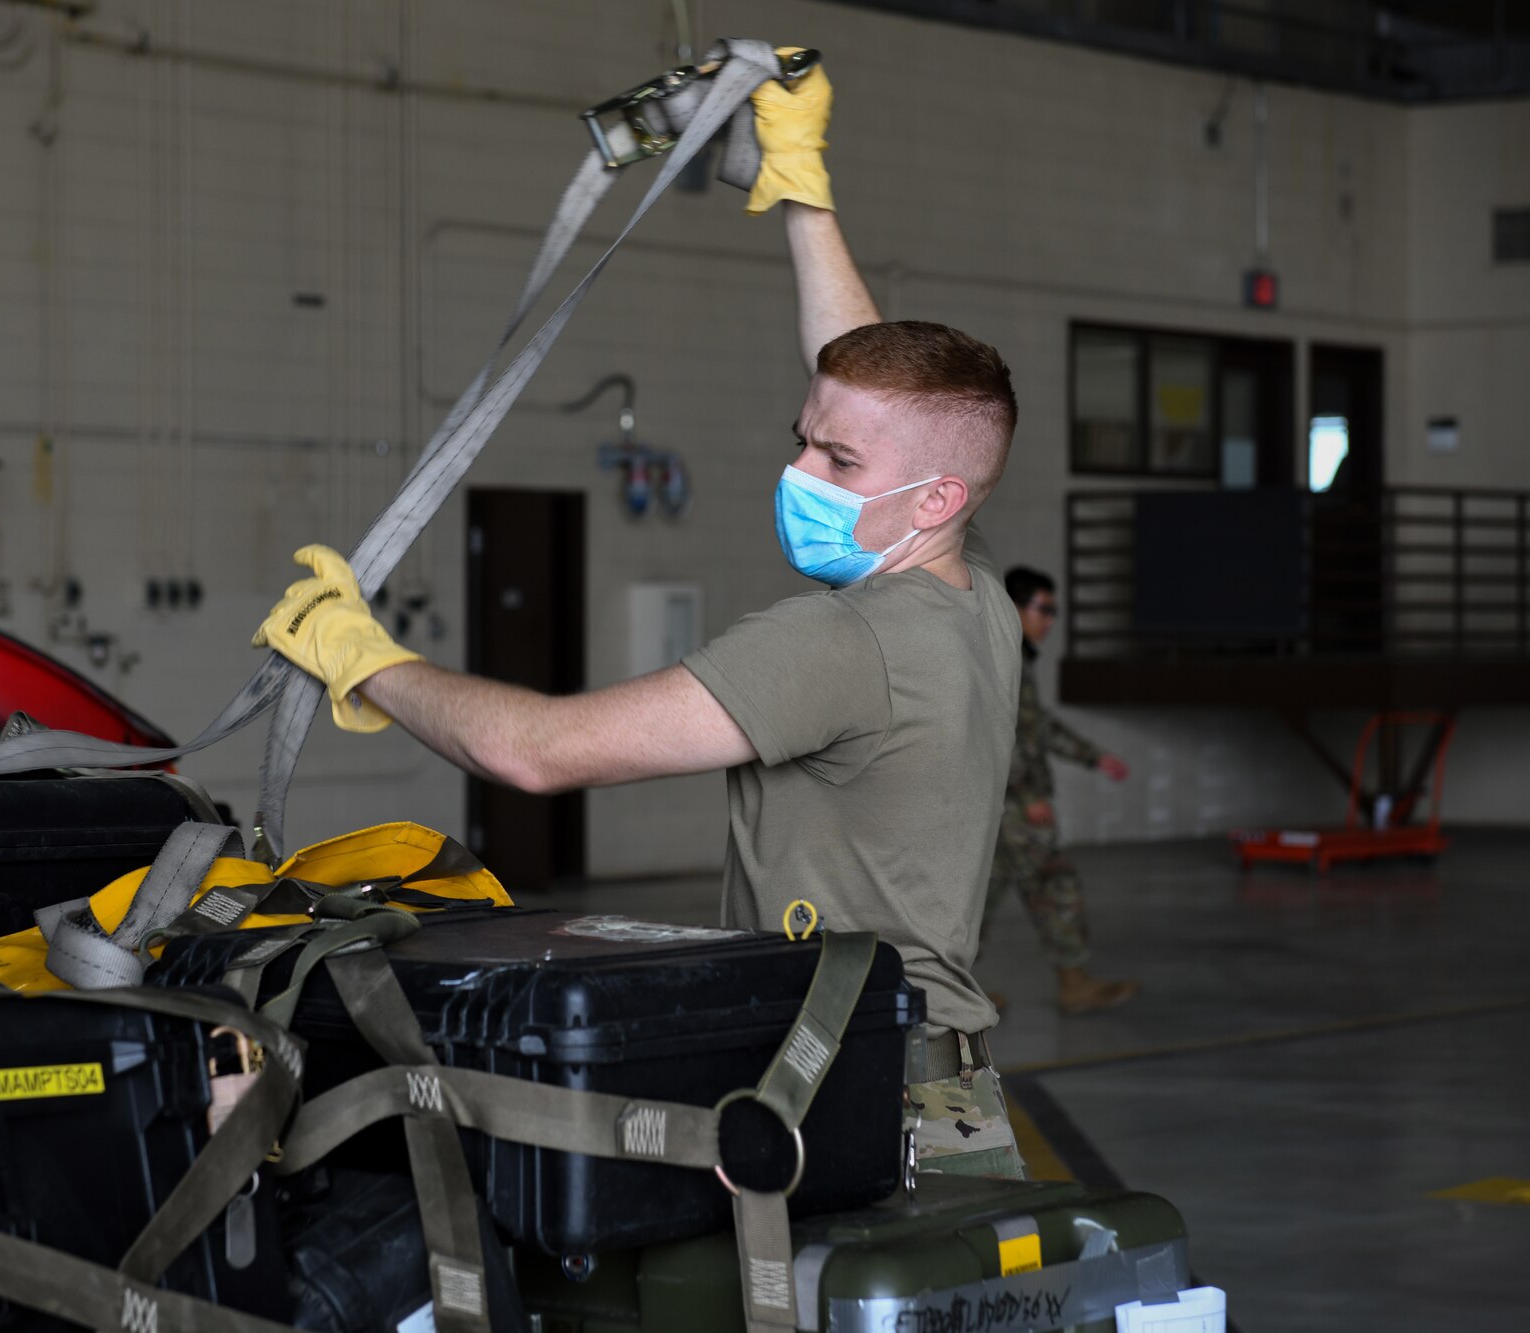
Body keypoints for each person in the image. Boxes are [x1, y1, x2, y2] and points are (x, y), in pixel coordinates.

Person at [252, 54, 1028, 1178]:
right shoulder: (970, 597)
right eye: (801, 436)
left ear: (933, 499)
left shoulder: (836, 646)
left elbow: (535, 752)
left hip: (852, 1091)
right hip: (943, 1085)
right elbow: (879, 394)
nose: (800, 468)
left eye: (834, 458)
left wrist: (360, 657)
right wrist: (799, 184)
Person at [983, 567, 1139, 1015]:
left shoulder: (1011, 655)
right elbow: (994, 731)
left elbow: (1036, 726)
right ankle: (1075, 983)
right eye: (1044, 609)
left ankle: (942, 995)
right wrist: (1028, 792)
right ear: (1016, 607)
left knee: (974, 903)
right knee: (1056, 886)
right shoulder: (1001, 657)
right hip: (1012, 805)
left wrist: (1093, 757)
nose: (1050, 620)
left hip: (996, 807)